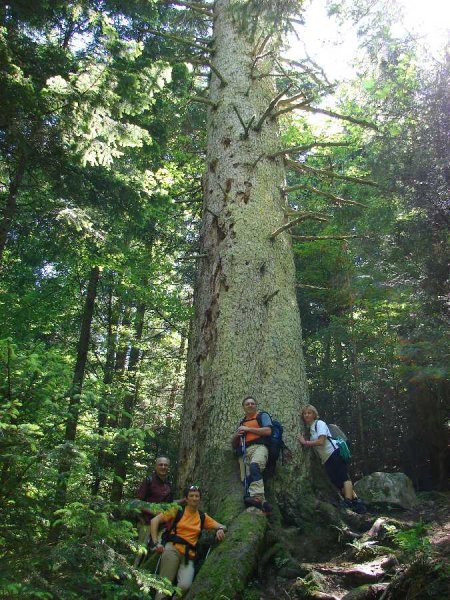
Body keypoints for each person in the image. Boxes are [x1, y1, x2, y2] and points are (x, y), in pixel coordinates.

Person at [150, 485, 226, 599]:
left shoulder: (202, 517)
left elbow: (222, 526)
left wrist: (220, 530)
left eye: (197, 496)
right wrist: (156, 543)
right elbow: (154, 521)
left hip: (188, 556)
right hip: (172, 550)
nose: (194, 498)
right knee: (164, 587)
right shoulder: (177, 510)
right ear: (186, 498)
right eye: (191, 496)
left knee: (185, 586)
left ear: (200, 499)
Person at [299, 404, 366, 514]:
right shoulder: (311, 429)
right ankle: (357, 503)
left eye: (309, 413)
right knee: (339, 483)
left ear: (314, 414)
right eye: (305, 413)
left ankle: (348, 501)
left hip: (334, 452)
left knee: (344, 477)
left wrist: (305, 442)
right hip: (327, 459)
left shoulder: (319, 424)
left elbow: (321, 441)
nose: (306, 415)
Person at [231, 396, 273, 513]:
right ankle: (264, 504)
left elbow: (268, 431)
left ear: (255, 405)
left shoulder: (262, 416)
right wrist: (237, 435)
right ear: (243, 407)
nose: (250, 405)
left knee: (255, 466)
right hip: (244, 452)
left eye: (252, 403)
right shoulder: (242, 422)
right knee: (247, 479)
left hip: (259, 447)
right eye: (247, 404)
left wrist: (248, 429)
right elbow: (234, 444)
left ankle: (257, 498)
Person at [133, 456, 177, 566]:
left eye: (165, 465)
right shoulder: (149, 481)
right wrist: (154, 511)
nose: (163, 467)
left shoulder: (168, 484)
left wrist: (184, 500)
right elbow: (137, 503)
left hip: (162, 526)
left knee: (155, 553)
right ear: (156, 466)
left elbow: (170, 504)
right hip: (146, 523)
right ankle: (131, 576)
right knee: (141, 553)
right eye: (160, 464)